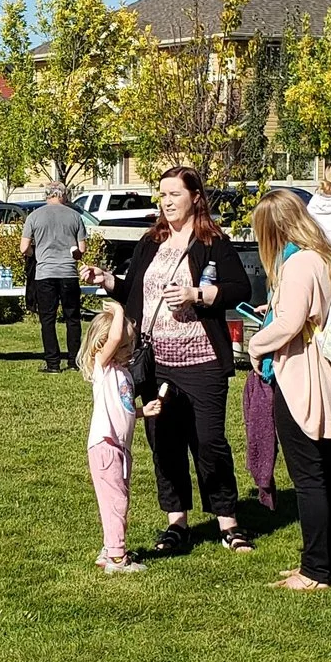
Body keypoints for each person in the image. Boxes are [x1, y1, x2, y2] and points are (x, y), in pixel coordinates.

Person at [79, 166, 254, 558]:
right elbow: (134, 292)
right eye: (163, 194)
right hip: (155, 362)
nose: (167, 201)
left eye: (175, 193)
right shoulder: (150, 242)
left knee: (209, 442)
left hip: (203, 361)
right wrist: (107, 279)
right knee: (164, 442)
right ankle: (177, 522)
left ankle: (228, 520)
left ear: (195, 197)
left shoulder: (213, 243)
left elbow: (240, 288)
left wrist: (197, 294)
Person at [243, 190, 331, 590]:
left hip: (301, 378)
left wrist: (256, 344)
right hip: (328, 374)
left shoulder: (297, 263)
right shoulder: (325, 258)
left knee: (310, 477)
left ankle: (314, 571)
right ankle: (328, 561)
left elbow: (290, 322)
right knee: (329, 473)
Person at [78, 302, 164, 575]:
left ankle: (109, 549)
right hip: (106, 447)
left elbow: (122, 408)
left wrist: (142, 411)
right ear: (104, 344)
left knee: (118, 498)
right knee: (117, 502)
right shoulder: (103, 369)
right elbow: (115, 336)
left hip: (119, 448)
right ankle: (117, 557)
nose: (130, 351)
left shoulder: (122, 373)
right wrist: (118, 312)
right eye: (125, 346)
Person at [19, 182, 90, 372]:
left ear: (47, 195)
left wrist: (36, 251)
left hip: (44, 274)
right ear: (64, 196)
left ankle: (52, 363)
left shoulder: (34, 216)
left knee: (47, 320)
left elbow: (24, 248)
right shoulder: (75, 216)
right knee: (72, 318)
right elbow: (81, 250)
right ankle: (74, 360)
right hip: (68, 273)